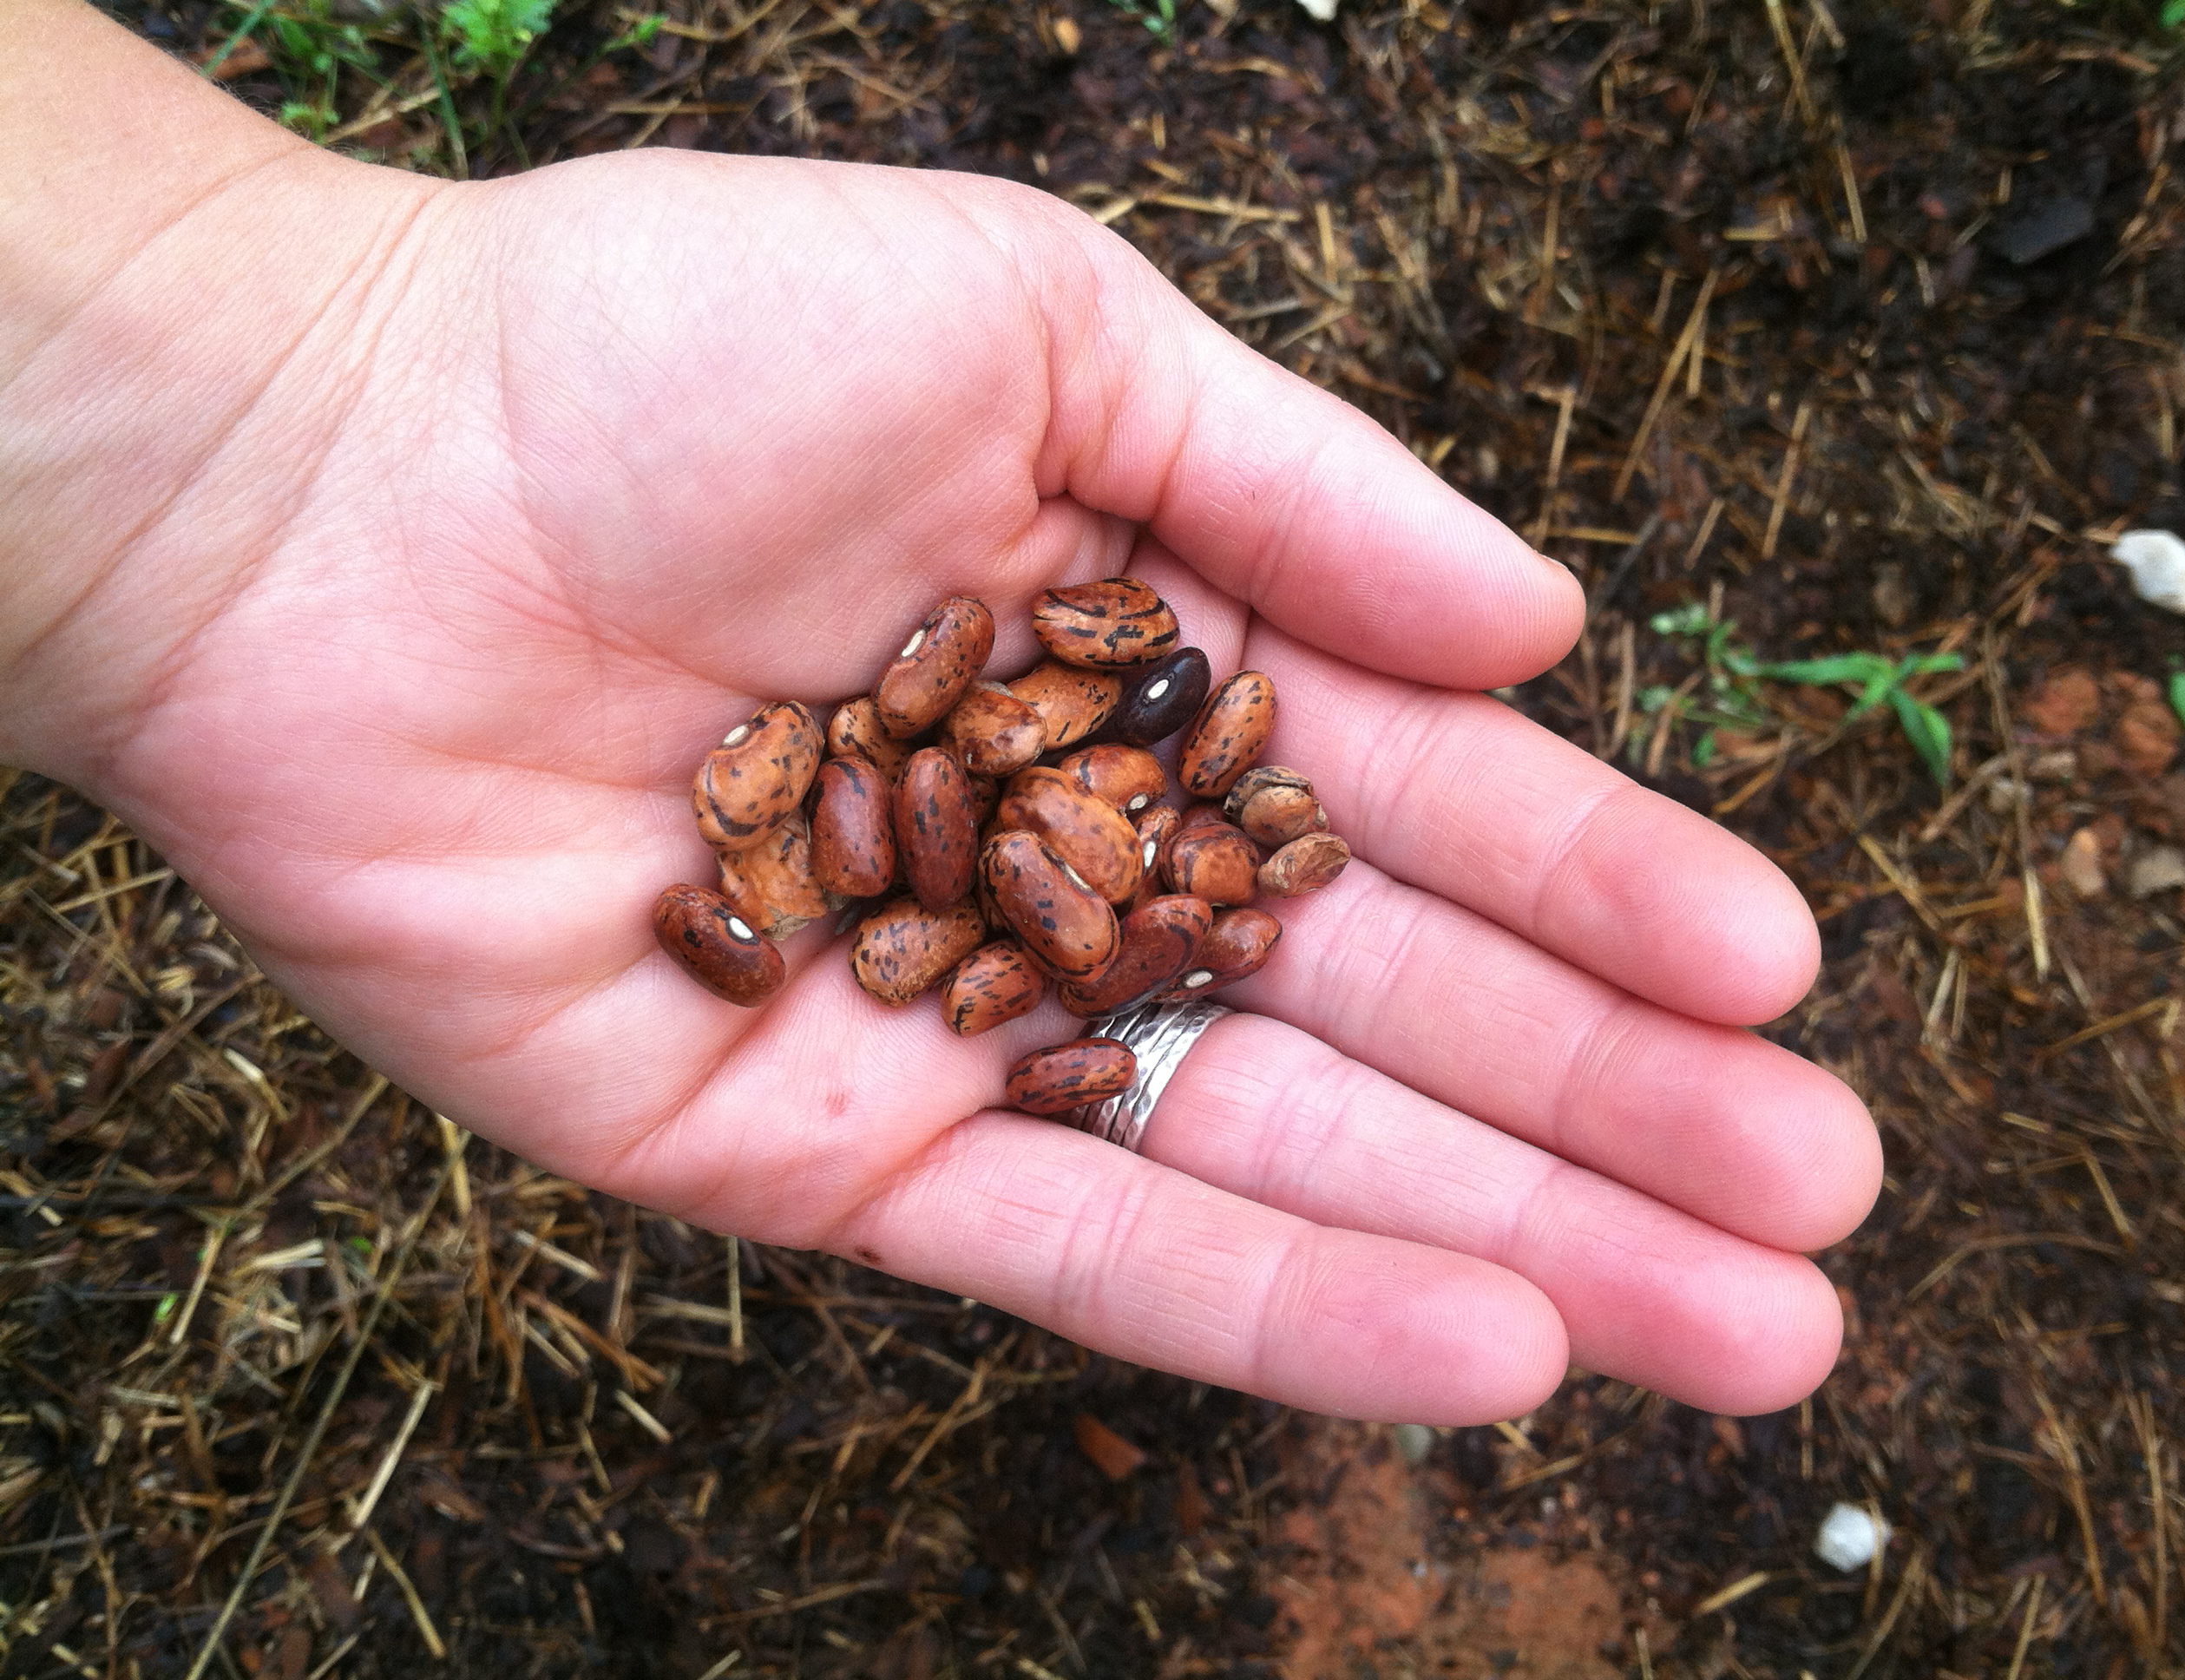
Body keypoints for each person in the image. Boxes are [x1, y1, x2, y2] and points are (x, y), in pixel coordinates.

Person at [0, 0, 1879, 1424]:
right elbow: (970, 838)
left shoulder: (1069, 796)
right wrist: (281, 422)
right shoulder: (955, 787)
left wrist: (261, 418)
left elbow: (1026, 849)